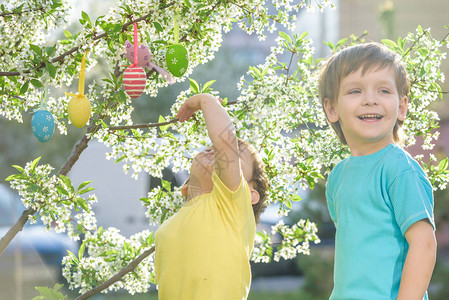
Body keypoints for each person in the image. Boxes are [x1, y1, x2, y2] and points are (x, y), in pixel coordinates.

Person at [319, 42, 437, 300]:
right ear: (331, 109)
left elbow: (424, 244)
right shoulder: (338, 177)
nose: (370, 99)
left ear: (402, 107)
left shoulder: (398, 169)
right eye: (355, 91)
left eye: (383, 90)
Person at [154, 93, 269, 300]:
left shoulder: (231, 207)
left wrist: (204, 100)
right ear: (185, 188)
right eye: (209, 148)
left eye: (236, 154)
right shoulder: (168, 227)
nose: (215, 150)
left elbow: (225, 141)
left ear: (250, 195)